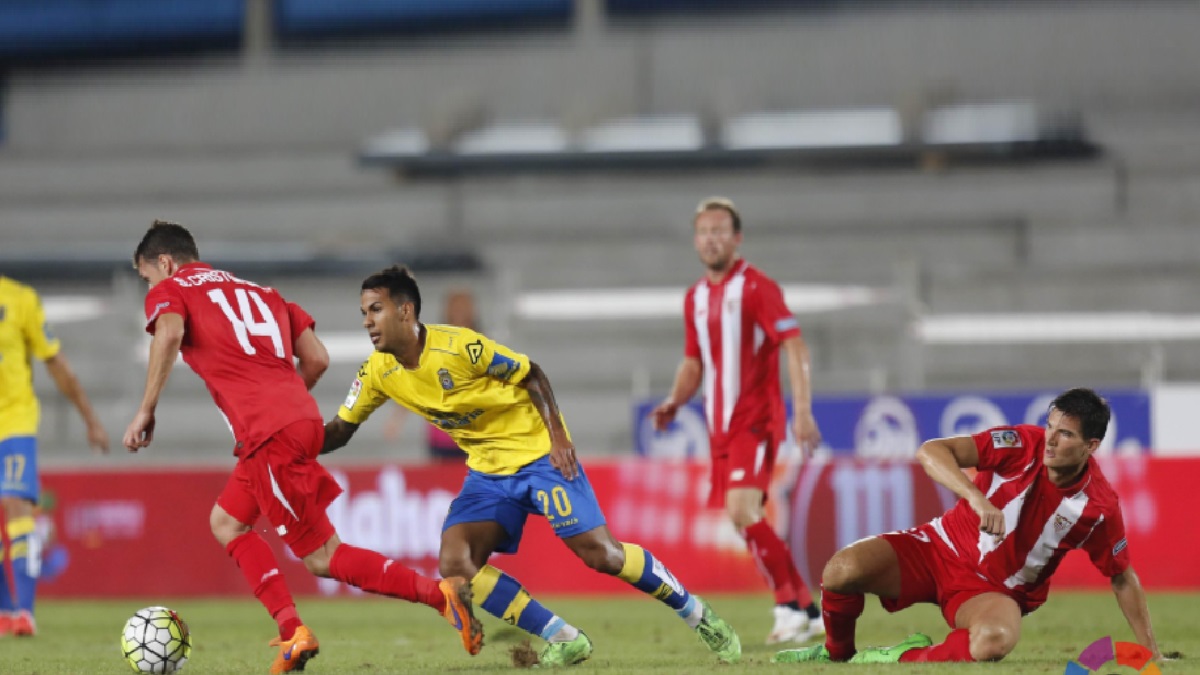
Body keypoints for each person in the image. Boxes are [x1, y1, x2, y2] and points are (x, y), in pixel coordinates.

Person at [321, 265, 742, 667]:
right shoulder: (377, 372)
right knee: (456, 563)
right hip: (487, 472)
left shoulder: (461, 347)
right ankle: (564, 638)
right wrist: (281, 441)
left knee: (603, 556)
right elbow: (341, 429)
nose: (367, 321)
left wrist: (558, 437)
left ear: (405, 310)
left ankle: (697, 613)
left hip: (539, 454)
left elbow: (532, 374)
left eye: (375, 310)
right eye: (364, 313)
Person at [120, 222, 482, 673]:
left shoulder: (172, 290)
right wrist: (288, 405)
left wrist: (145, 410)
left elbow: (169, 335)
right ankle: (292, 630)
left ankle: (438, 595)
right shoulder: (260, 292)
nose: (151, 288)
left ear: (166, 264)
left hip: (269, 434)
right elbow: (318, 358)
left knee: (323, 556)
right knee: (227, 523)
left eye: (148, 278)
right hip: (299, 422)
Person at [773, 387, 1164, 665]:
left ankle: (899, 656)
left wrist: (1151, 651)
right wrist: (976, 498)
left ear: (1091, 446)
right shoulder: (1021, 443)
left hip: (993, 591)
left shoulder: (1098, 507)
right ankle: (836, 654)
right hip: (937, 548)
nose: (1050, 440)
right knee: (841, 570)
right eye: (1050, 426)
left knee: (993, 642)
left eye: (1065, 434)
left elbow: (1122, 577)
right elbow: (931, 450)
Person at [651, 196, 823, 644]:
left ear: (737, 238)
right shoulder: (695, 298)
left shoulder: (756, 288)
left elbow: (795, 346)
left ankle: (788, 607)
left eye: (720, 230)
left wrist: (802, 412)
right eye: (704, 232)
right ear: (696, 240)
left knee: (742, 510)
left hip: (755, 419)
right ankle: (807, 609)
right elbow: (694, 362)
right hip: (719, 427)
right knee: (741, 517)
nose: (711, 239)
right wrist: (674, 400)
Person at [0, 275, 109, 637]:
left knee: (17, 506)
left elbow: (56, 363)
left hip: (13, 420)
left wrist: (90, 419)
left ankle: (24, 614)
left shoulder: (18, 299)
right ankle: (3, 612)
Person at [382, 288, 479, 461]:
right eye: (455, 309)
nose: (459, 314)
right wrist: (397, 419)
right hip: (443, 435)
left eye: (463, 309)